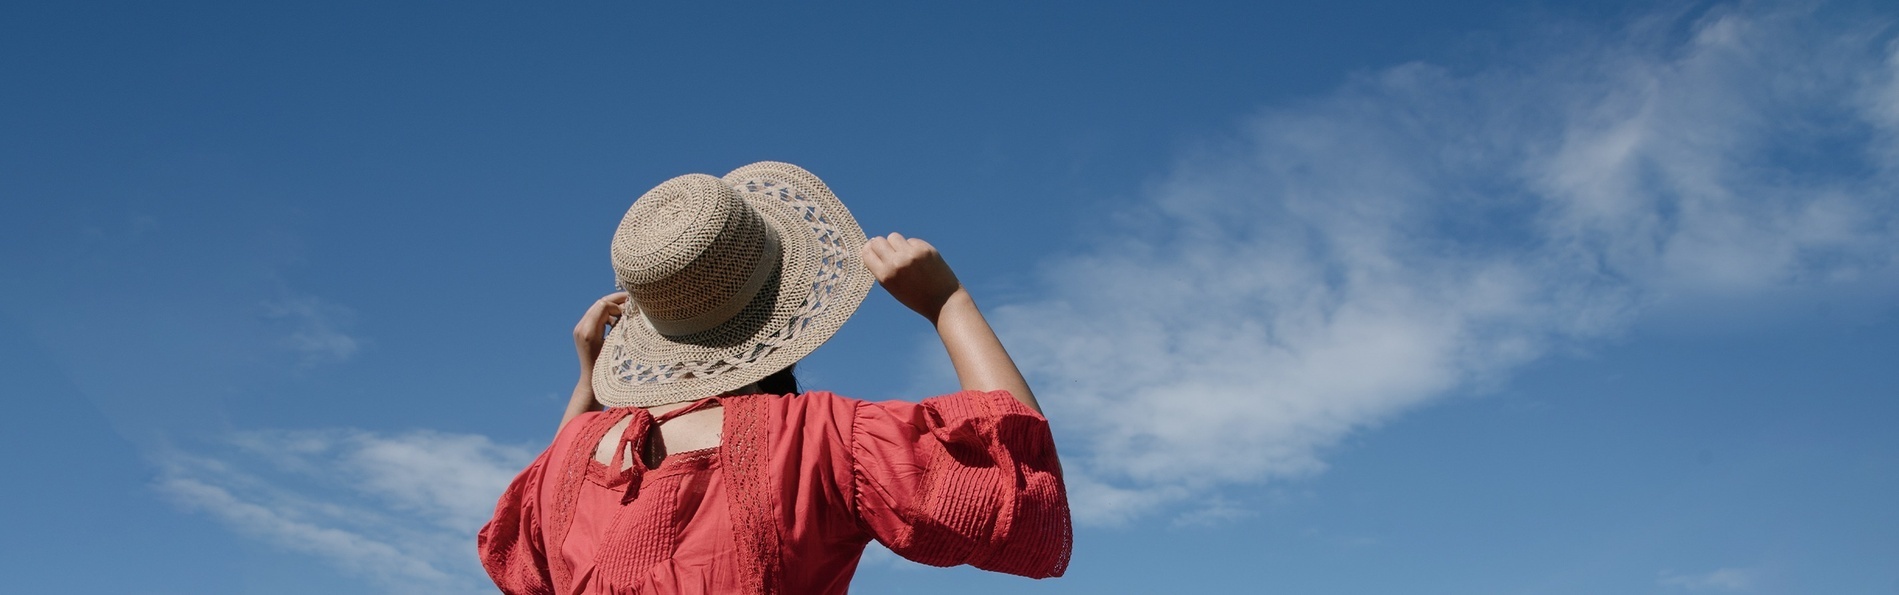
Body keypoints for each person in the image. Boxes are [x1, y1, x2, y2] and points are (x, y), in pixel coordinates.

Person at [478, 162, 1071, 595]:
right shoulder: (822, 438)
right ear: (782, 306)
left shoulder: (567, 465)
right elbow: (1024, 493)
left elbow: (526, 557)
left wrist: (588, 382)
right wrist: (949, 302)